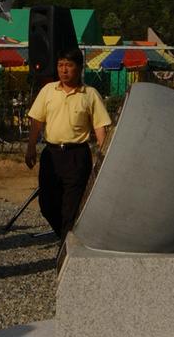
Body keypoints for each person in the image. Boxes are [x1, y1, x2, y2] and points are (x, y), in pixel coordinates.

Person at [25, 47, 111, 239]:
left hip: (77, 156)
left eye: (69, 65)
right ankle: (64, 238)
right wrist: (31, 147)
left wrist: (103, 155)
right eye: (60, 65)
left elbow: (100, 127)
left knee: (71, 206)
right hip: (51, 155)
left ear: (79, 68)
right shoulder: (48, 91)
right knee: (47, 204)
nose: (64, 70)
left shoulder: (90, 94)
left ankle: (66, 248)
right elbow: (37, 121)